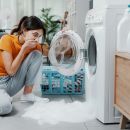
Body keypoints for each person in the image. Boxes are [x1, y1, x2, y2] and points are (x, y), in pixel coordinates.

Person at [0, 16, 50, 115]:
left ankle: (27, 94)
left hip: (12, 83)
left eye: (39, 37)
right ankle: (4, 98)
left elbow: (50, 53)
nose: (36, 39)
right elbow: (11, 71)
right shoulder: (6, 40)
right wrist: (23, 49)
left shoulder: (34, 45)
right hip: (1, 81)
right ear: (24, 31)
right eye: (35, 35)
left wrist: (63, 38)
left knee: (36, 54)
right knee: (5, 107)